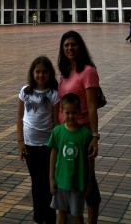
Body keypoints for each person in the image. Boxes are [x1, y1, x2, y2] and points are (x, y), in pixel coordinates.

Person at [57, 31, 101, 224]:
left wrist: (94, 136)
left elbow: (92, 106)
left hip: (82, 133)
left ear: (80, 47)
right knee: (71, 177)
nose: (70, 48)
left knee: (88, 181)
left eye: (73, 44)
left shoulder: (88, 71)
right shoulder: (65, 71)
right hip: (65, 133)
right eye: (66, 45)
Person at [17, 55, 60, 224]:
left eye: (44, 72)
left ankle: (49, 217)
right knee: (36, 182)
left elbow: (56, 122)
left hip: (47, 146)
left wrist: (56, 146)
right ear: (32, 73)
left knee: (48, 182)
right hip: (29, 145)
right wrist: (20, 141)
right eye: (37, 71)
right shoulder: (25, 91)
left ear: (49, 74)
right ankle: (38, 217)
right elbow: (20, 117)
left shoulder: (53, 94)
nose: (41, 75)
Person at [49, 93, 94, 224]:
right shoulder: (57, 132)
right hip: (60, 182)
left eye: (74, 113)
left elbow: (89, 160)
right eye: (67, 113)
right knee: (61, 213)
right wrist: (51, 179)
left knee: (77, 215)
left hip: (78, 183)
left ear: (79, 112)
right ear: (62, 112)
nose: (70, 116)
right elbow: (53, 155)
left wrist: (89, 182)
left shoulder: (85, 134)